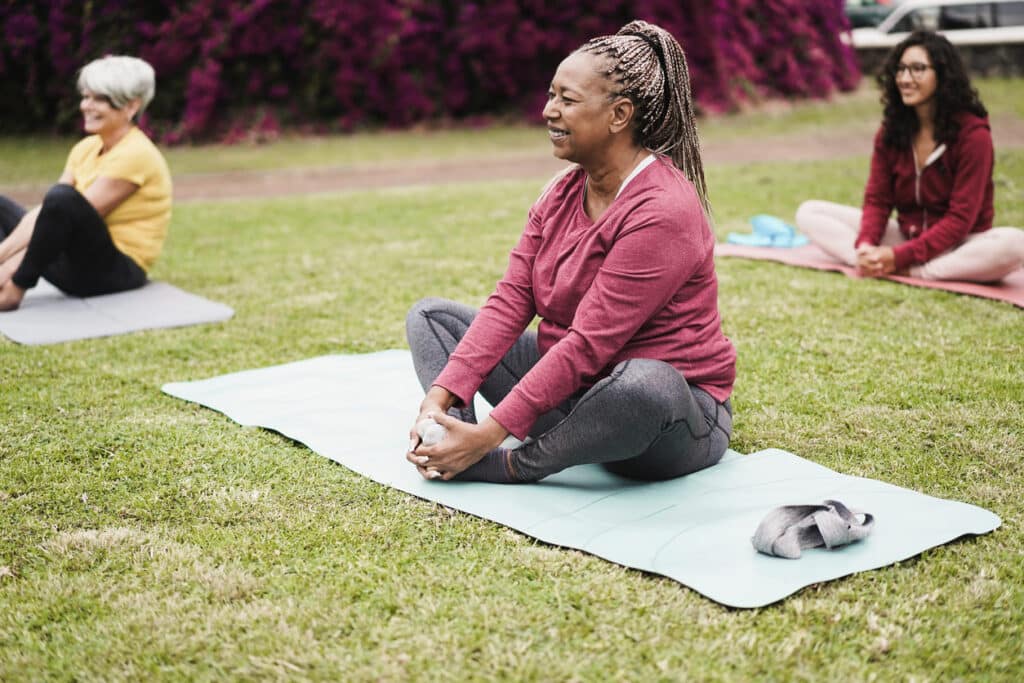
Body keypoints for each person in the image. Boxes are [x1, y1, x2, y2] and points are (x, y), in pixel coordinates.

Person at [404, 20, 736, 484]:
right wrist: (441, 396)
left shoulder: (662, 209)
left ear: (619, 115)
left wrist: (495, 437)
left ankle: (508, 463)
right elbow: (511, 301)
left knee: (644, 383)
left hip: (664, 422)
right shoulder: (559, 192)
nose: (549, 111)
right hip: (573, 394)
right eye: (551, 95)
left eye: (568, 99)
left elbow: (589, 344)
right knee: (432, 319)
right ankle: (451, 435)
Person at [795, 31, 1024, 282]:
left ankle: (914, 272)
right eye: (901, 69)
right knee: (809, 213)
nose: (905, 78)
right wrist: (866, 245)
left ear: (943, 74)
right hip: (907, 237)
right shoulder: (891, 132)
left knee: (1015, 243)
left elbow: (960, 219)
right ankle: (871, 262)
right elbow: (878, 201)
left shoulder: (973, 136)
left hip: (959, 244)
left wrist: (900, 257)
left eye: (917, 69)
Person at [0, 55, 172, 311]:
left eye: (99, 99)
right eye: (86, 96)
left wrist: (11, 272)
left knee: (62, 198)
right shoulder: (86, 148)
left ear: (131, 107)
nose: (86, 106)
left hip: (114, 272)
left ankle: (14, 290)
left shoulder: (137, 154)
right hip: (73, 259)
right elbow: (45, 216)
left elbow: (64, 214)